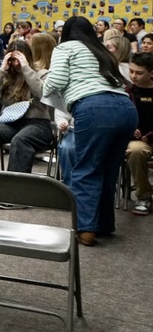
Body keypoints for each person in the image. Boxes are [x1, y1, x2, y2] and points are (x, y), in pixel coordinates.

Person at [42, 16, 136, 246]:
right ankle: (103, 225)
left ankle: (85, 229)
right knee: (108, 169)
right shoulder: (101, 50)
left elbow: (57, 80)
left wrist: (43, 88)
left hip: (94, 109)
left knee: (86, 169)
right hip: (126, 109)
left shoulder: (65, 47)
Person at [0, 39, 53, 178]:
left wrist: (26, 69)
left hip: (38, 124)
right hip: (11, 123)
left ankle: (15, 189)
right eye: (13, 60)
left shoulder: (41, 74)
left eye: (19, 59)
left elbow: (42, 94)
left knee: (20, 140)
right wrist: (2, 70)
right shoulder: (7, 76)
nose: (16, 64)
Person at [125, 52, 153, 215]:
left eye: (139, 72)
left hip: (149, 136)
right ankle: (144, 195)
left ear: (151, 73)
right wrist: (130, 130)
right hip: (138, 141)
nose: (134, 76)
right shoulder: (127, 93)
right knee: (135, 151)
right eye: (131, 71)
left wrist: (148, 136)